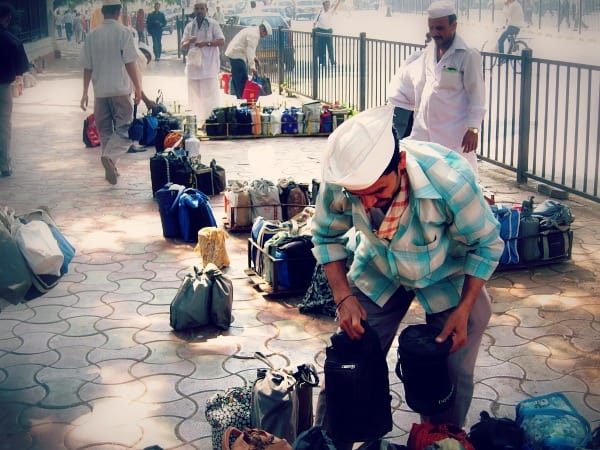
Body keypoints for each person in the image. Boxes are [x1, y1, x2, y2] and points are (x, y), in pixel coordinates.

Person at [311, 105, 503, 450]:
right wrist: (343, 297)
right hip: (379, 267)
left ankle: (440, 440)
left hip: (448, 273)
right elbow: (325, 237)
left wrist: (464, 308)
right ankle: (324, 443)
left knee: (450, 373)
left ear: (399, 164)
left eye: (378, 193)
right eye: (359, 196)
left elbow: (487, 244)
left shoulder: (450, 180)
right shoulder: (342, 182)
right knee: (347, 359)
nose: (367, 204)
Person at [387, 0, 485, 174]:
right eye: (431, 28)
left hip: (452, 134)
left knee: (457, 179)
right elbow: (421, 88)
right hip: (424, 130)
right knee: (420, 176)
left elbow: (477, 97)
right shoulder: (428, 52)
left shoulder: (468, 56)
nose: (434, 33)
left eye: (439, 28)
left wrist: (473, 129)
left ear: (454, 25)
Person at [79, 0, 142, 185]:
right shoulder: (124, 32)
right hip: (121, 89)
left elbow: (87, 67)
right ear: (118, 12)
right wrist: (138, 88)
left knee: (105, 130)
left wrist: (84, 92)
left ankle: (110, 164)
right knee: (125, 128)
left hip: (100, 91)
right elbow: (131, 63)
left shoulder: (92, 35)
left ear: (103, 12)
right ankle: (110, 157)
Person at [181, 2, 225, 128]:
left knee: (210, 97)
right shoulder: (189, 26)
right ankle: (197, 123)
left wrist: (207, 43)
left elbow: (221, 41)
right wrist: (190, 41)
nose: (199, 11)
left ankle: (210, 122)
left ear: (206, 10)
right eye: (197, 9)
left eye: (202, 8)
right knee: (194, 97)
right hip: (194, 68)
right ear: (194, 11)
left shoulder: (213, 24)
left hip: (209, 67)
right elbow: (182, 46)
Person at [0, 2, 29, 177]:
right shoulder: (11, 40)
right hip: (3, 87)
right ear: (8, 18)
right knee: (3, 127)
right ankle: (4, 164)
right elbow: (21, 67)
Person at [224, 21, 272, 99]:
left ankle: (240, 98)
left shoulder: (253, 30)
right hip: (237, 54)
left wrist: (254, 58)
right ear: (262, 30)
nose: (264, 36)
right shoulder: (255, 35)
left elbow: (249, 48)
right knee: (242, 79)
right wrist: (252, 67)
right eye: (265, 34)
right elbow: (250, 51)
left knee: (238, 78)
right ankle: (242, 99)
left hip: (235, 53)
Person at [313, 0, 339, 67]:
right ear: (324, 5)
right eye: (327, 5)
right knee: (322, 47)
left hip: (328, 31)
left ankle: (332, 61)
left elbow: (335, 7)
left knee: (330, 47)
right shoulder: (320, 12)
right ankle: (322, 62)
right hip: (321, 31)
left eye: (329, 5)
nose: (328, 6)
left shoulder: (331, 12)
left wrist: (339, 1)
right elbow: (314, 22)